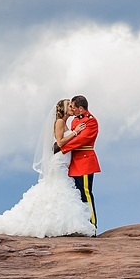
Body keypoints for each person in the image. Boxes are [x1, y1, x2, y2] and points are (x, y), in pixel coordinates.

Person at [0, 98, 96, 238]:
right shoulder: (60, 122)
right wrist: (75, 133)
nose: (72, 108)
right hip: (59, 161)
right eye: (70, 106)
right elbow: (60, 143)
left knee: (62, 190)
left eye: (73, 106)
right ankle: (58, 224)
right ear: (64, 108)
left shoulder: (70, 122)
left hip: (65, 161)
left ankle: (65, 224)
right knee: (58, 189)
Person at [60, 94, 101, 234]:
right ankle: (81, 225)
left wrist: (62, 148)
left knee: (86, 194)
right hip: (74, 162)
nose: (72, 109)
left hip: (84, 161)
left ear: (81, 108)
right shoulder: (75, 121)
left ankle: (92, 226)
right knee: (76, 195)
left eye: (73, 107)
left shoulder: (91, 121)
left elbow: (81, 140)